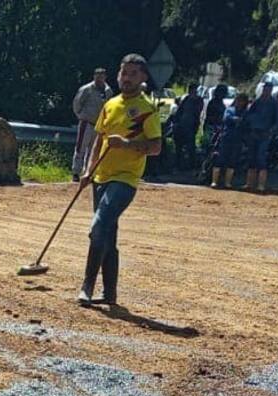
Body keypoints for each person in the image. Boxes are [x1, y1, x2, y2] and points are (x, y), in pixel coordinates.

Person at [76, 54, 162, 306]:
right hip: (101, 175)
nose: (127, 78)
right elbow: (98, 140)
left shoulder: (148, 109)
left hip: (126, 179)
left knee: (99, 226)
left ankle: (87, 285)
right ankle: (110, 293)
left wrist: (126, 143)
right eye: (124, 73)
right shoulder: (110, 104)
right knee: (108, 235)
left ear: (143, 77)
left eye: (133, 74)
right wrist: (87, 171)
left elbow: (156, 147)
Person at [71, 68, 115, 182]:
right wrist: (81, 115)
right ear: (94, 76)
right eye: (97, 75)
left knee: (93, 150)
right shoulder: (86, 89)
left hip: (99, 125)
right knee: (81, 147)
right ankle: (76, 172)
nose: (99, 78)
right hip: (86, 122)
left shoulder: (108, 91)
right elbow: (77, 103)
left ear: (105, 77)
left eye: (102, 75)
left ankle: (88, 173)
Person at [241, 80, 278, 192]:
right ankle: (249, 183)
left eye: (268, 89)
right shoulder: (257, 102)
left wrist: (271, 131)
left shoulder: (274, 103)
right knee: (251, 158)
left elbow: (277, 120)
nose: (266, 90)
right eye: (265, 88)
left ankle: (261, 185)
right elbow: (249, 115)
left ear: (271, 90)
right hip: (254, 133)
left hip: (264, 134)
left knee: (261, 158)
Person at [210, 93, 249, 188]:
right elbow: (226, 118)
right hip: (226, 138)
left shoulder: (246, 113)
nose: (240, 102)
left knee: (233, 161)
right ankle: (214, 181)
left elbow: (246, 123)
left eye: (242, 101)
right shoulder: (229, 110)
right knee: (219, 159)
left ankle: (228, 182)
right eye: (238, 100)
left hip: (238, 140)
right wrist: (235, 119)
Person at [172, 82, 204, 170]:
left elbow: (198, 111)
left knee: (191, 148)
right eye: (192, 90)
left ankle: (191, 166)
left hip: (191, 127)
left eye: (195, 90)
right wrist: (176, 123)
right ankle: (178, 165)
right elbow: (179, 111)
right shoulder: (186, 99)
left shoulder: (198, 100)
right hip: (181, 126)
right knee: (178, 147)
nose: (193, 92)